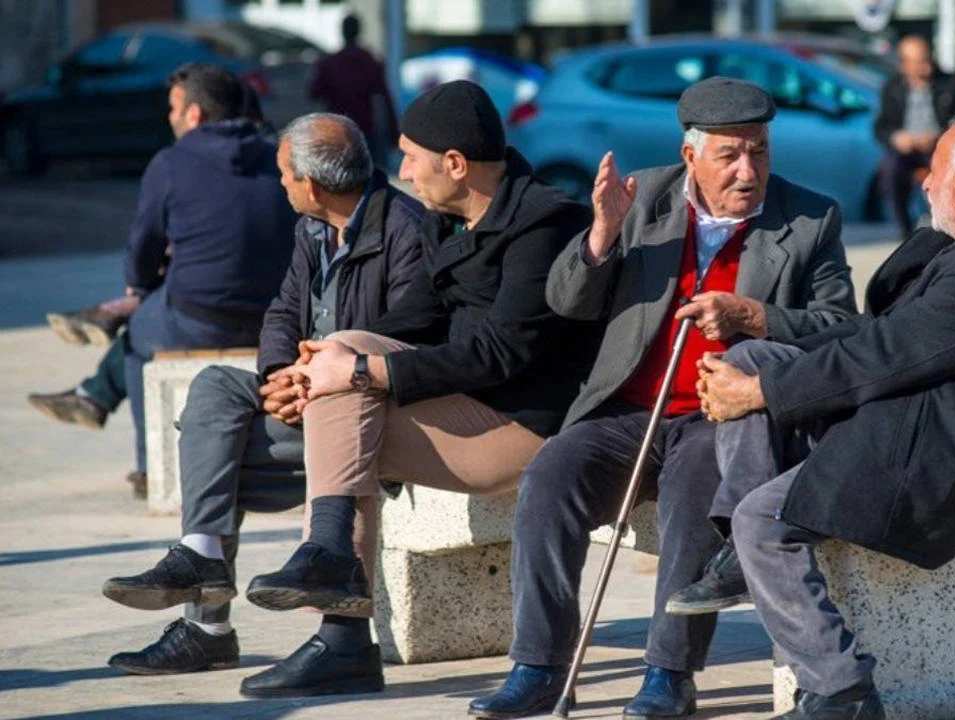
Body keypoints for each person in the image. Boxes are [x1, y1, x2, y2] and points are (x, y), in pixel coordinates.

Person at [467, 76, 857, 720]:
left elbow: (841, 327)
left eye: (759, 150)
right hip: (627, 409)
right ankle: (536, 665)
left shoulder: (810, 218)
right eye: (729, 154)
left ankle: (669, 674)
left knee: (693, 494)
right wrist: (599, 237)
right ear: (689, 157)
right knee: (550, 477)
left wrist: (753, 317)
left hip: (721, 417)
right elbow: (565, 303)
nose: (748, 169)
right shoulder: (641, 199)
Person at [223, 80, 599, 698]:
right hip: (463, 411)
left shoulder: (545, 224)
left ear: (455, 164)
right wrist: (315, 363)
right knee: (343, 372)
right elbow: (410, 320)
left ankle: (339, 618)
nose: (400, 171)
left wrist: (362, 372)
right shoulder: (442, 218)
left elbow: (502, 353)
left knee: (349, 389)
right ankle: (336, 602)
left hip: (522, 430)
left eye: (411, 157)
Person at [688, 119, 955, 720]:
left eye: (935, 173)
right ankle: (738, 558)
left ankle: (842, 690)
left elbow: (886, 356)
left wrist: (761, 394)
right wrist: (765, 329)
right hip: (906, 420)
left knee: (762, 520)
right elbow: (883, 335)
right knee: (749, 355)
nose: (925, 186)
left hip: (935, 458)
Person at [98, 113, 424, 677]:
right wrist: (278, 375)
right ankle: (201, 557)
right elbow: (282, 311)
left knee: (213, 458)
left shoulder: (405, 230)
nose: (279, 184)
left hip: (367, 412)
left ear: (312, 185)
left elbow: (408, 336)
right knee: (215, 389)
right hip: (307, 396)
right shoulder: (313, 229)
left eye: (283, 175)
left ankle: (208, 629)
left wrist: (320, 381)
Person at [27, 63, 296, 493]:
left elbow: (142, 248)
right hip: (276, 313)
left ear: (194, 115)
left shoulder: (171, 163)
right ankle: (94, 390)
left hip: (199, 316)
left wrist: (139, 288)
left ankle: (150, 465)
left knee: (136, 337)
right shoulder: (276, 155)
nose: (167, 116)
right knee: (162, 297)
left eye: (173, 107)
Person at [875, 36, 955, 239]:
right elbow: (881, 126)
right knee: (891, 169)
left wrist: (940, 136)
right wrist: (897, 137)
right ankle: (904, 229)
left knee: (946, 172)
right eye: (919, 61)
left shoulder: (950, 84)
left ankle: (945, 227)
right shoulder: (892, 88)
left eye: (928, 58)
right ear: (905, 65)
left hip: (939, 147)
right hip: (907, 149)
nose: (926, 65)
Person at [309, 13, 398, 165]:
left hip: (337, 127)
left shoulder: (330, 62)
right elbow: (385, 97)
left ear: (342, 32)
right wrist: (393, 132)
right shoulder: (369, 60)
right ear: (358, 32)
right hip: (364, 128)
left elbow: (314, 93)